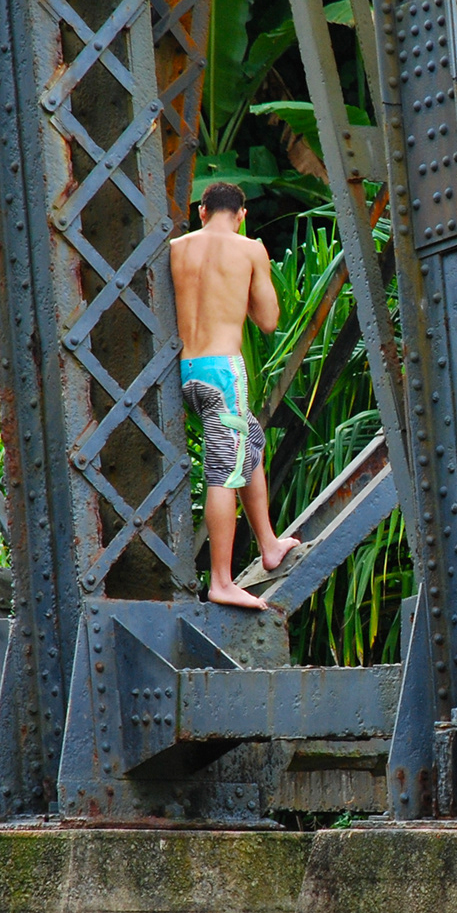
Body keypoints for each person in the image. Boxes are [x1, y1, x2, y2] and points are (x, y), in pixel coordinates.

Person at [171, 182, 302, 609]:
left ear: (202, 211)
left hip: (189, 373)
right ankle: (221, 581)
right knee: (225, 471)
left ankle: (268, 544)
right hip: (224, 372)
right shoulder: (249, 249)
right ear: (242, 214)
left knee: (252, 444)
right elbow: (268, 320)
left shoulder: (177, 248)